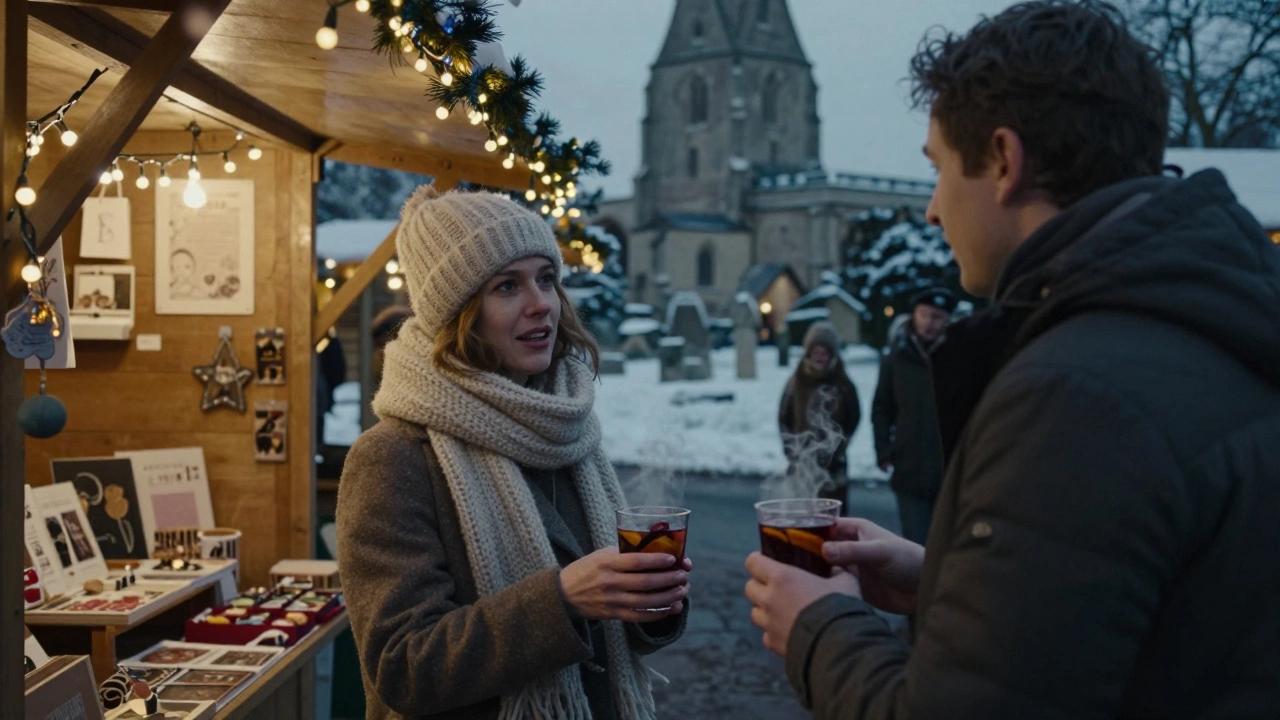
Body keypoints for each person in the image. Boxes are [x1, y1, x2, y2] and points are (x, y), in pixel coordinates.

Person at [744, 2, 1280, 718]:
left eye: (938, 170)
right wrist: (947, 581)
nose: (932, 210)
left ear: (1003, 161)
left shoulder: (1075, 393)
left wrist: (817, 629)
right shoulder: (1211, 314)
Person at [337, 186, 689, 720]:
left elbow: (608, 632)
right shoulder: (393, 456)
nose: (541, 303)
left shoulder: (567, 431)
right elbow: (401, 667)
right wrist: (562, 601)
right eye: (507, 285)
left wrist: (650, 604)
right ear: (458, 314)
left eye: (546, 278)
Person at [871, 287, 956, 544]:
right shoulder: (896, 359)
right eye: (925, 315)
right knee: (916, 544)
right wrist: (883, 450)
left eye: (938, 317)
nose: (930, 323)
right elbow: (882, 408)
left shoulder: (959, 358)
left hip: (950, 470)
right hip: (909, 469)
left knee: (947, 544)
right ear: (914, 316)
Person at [777, 322, 861, 512]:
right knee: (802, 515)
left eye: (824, 353)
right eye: (815, 352)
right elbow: (784, 416)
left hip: (834, 464)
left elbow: (854, 416)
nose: (819, 358)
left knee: (833, 517)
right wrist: (791, 449)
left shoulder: (843, 383)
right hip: (801, 461)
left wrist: (840, 445)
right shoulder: (796, 382)